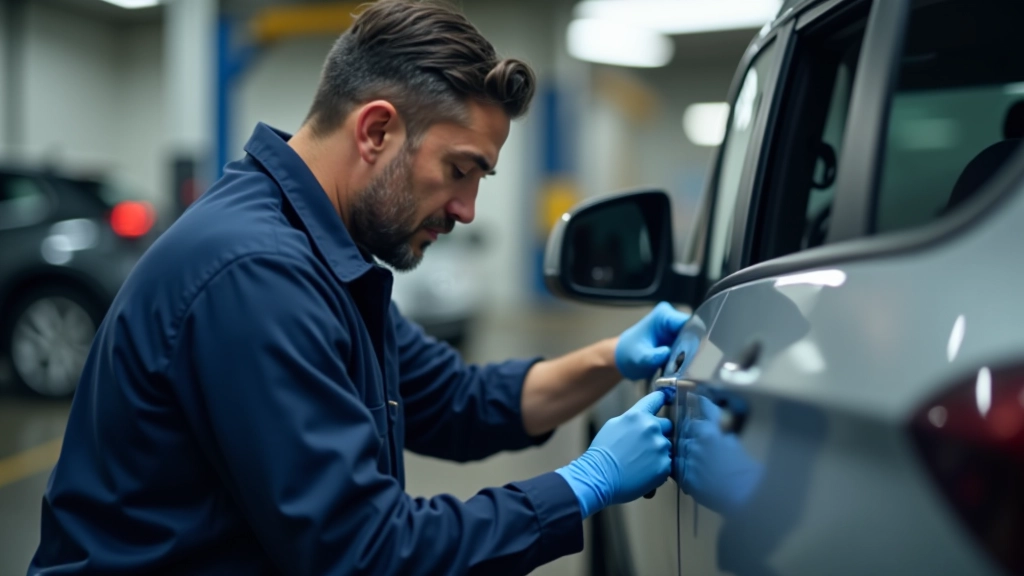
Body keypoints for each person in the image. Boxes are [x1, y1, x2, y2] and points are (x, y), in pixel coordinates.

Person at [28, 2, 687, 575]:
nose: (466, 210)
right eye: (459, 170)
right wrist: (581, 486)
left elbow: (457, 402)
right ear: (376, 131)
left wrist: (611, 358)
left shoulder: (320, 256)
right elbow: (364, 554)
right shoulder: (258, 274)